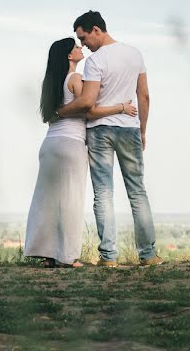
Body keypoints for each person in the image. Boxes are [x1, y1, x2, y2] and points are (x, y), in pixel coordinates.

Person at [57, 11, 161, 267]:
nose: (83, 45)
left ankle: (109, 257)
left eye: (84, 38)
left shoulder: (95, 61)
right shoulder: (134, 54)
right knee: (137, 192)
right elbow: (144, 97)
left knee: (103, 193)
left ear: (96, 30)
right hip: (129, 129)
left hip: (100, 130)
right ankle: (148, 255)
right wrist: (142, 130)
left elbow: (89, 104)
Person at [24, 37, 137, 268]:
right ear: (69, 55)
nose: (80, 48)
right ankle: (68, 256)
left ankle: (48, 255)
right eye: (76, 47)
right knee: (70, 201)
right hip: (71, 144)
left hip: (49, 145)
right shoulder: (75, 78)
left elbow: (52, 115)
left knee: (47, 200)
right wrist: (122, 107)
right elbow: (89, 108)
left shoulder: (51, 83)